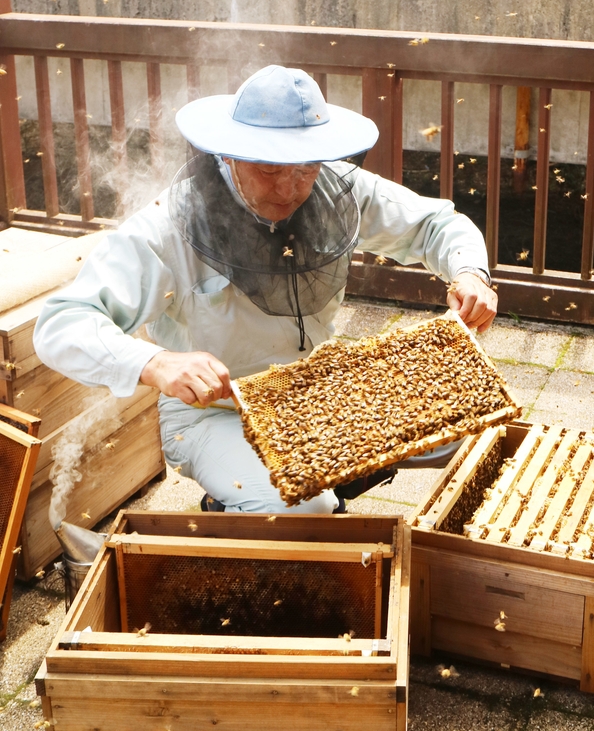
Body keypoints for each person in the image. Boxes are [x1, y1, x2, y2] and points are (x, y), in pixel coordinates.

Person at [34, 65, 497, 514]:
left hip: (315, 390)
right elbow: (62, 323)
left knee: (460, 426)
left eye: (305, 168)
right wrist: (156, 363)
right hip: (215, 412)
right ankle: (244, 504)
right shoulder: (165, 227)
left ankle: (329, 482)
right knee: (305, 508)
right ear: (230, 154)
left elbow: (437, 223)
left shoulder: (338, 191)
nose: (290, 187)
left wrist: (471, 271)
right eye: (269, 169)